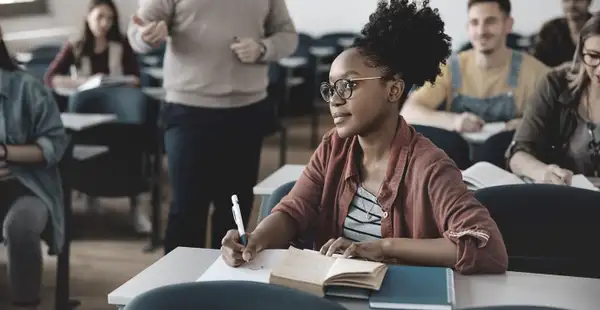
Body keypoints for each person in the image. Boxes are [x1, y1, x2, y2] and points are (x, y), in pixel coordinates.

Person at [221, 0, 508, 275]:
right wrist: (255, 239)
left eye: (347, 85)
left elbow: (489, 250)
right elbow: (294, 210)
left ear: (393, 91)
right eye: (331, 88)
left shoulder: (430, 167)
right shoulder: (334, 147)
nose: (334, 99)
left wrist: (384, 247)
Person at [127, 0, 298, 253]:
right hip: (189, 111)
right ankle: (180, 289)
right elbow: (136, 32)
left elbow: (288, 36)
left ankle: (223, 283)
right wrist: (146, 36)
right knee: (187, 209)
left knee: (236, 208)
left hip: (246, 110)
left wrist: (263, 48)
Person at [400, 0, 549, 169]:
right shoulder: (450, 68)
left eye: (490, 21)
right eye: (474, 22)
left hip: (506, 168)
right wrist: (454, 121)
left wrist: (525, 124)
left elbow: (557, 123)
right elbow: (409, 111)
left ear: (508, 24)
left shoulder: (536, 72)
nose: (481, 31)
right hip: (455, 168)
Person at [0, 25, 69, 310]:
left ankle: (25, 302)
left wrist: (5, 152)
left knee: (20, 226)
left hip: (27, 186)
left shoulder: (26, 87)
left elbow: (53, 145)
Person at [508, 15, 600, 184]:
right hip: (565, 197)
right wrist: (543, 172)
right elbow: (518, 154)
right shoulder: (556, 83)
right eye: (593, 56)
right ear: (581, 53)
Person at [44, 0, 141, 89]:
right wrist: (85, 82)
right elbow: (50, 78)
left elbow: (136, 78)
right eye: (100, 17)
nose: (105, 23)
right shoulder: (75, 46)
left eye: (110, 18)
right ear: (88, 17)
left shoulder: (122, 44)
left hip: (117, 100)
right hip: (86, 100)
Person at [531, 0, 593, 68]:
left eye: (578, 0)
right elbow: (535, 65)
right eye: (566, 0)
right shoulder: (550, 30)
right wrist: (561, 71)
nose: (571, 5)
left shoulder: (597, 27)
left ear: (589, 2)